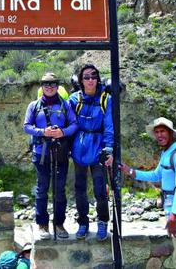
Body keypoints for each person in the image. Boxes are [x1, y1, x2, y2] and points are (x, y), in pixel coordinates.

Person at [120, 117, 176, 269]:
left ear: (170, 133)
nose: (159, 135)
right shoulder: (167, 153)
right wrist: (130, 171)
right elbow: (156, 176)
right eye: (156, 132)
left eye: (162, 131)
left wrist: (173, 217)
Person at [24, 72, 78, 240]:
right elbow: (26, 126)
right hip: (41, 153)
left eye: (53, 84)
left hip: (60, 153)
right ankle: (42, 225)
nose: (49, 87)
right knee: (42, 190)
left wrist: (62, 132)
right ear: (41, 86)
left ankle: (59, 224)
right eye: (46, 84)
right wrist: (43, 132)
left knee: (59, 191)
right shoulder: (34, 106)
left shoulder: (65, 105)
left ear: (57, 86)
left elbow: (74, 124)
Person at [68, 64, 114, 241]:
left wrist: (108, 149)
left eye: (93, 76)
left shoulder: (105, 99)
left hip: (98, 147)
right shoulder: (74, 99)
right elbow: (70, 124)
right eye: (86, 77)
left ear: (98, 78)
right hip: (79, 147)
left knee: (100, 189)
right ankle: (83, 223)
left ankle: (102, 222)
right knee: (79, 189)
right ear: (81, 80)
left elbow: (109, 126)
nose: (90, 80)